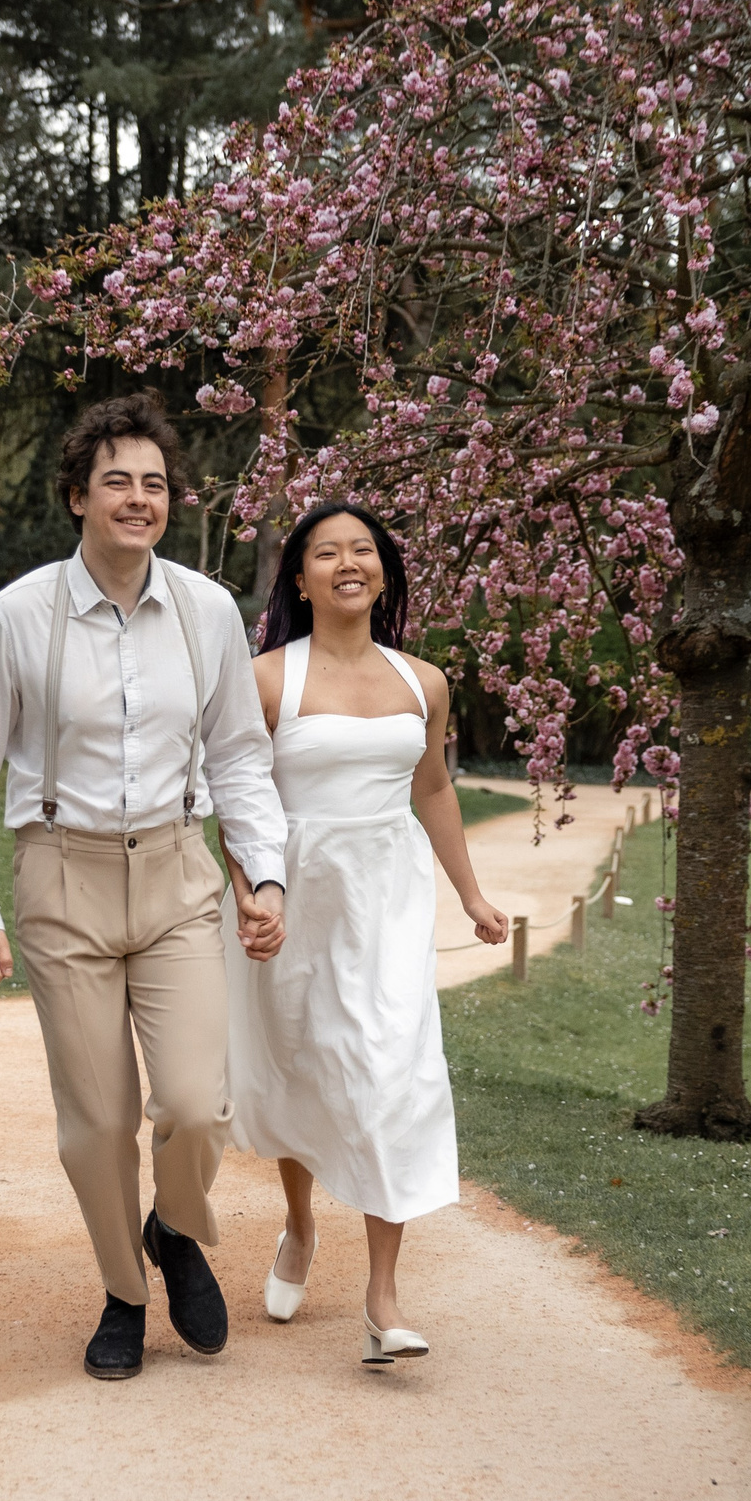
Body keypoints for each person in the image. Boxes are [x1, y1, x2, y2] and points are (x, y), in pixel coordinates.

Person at [0, 391, 290, 1382]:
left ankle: (174, 1234)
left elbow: (240, 761)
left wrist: (265, 876)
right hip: (62, 880)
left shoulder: (209, 612)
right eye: (116, 481)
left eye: (155, 483)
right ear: (76, 496)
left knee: (195, 1105)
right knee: (95, 1124)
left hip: (176, 874)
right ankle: (125, 1294)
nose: (139, 498)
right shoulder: (17, 617)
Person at [224, 501, 508, 1365]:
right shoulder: (267, 677)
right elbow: (241, 797)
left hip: (387, 899)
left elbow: (431, 790)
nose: (348, 563)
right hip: (297, 894)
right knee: (304, 1064)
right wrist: (251, 895)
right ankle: (301, 1225)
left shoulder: (424, 680)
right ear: (300, 578)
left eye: (363, 550)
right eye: (326, 552)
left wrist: (472, 894)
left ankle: (383, 1301)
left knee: (394, 1069)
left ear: (383, 570)